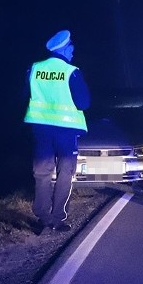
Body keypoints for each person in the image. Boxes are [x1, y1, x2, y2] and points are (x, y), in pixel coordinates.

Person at [24, 29, 90, 233]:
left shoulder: (33, 69)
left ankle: (43, 217)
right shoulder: (72, 71)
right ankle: (58, 217)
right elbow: (84, 103)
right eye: (71, 48)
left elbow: (25, 94)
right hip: (66, 132)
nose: (73, 51)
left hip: (41, 130)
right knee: (64, 173)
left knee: (42, 173)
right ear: (64, 48)